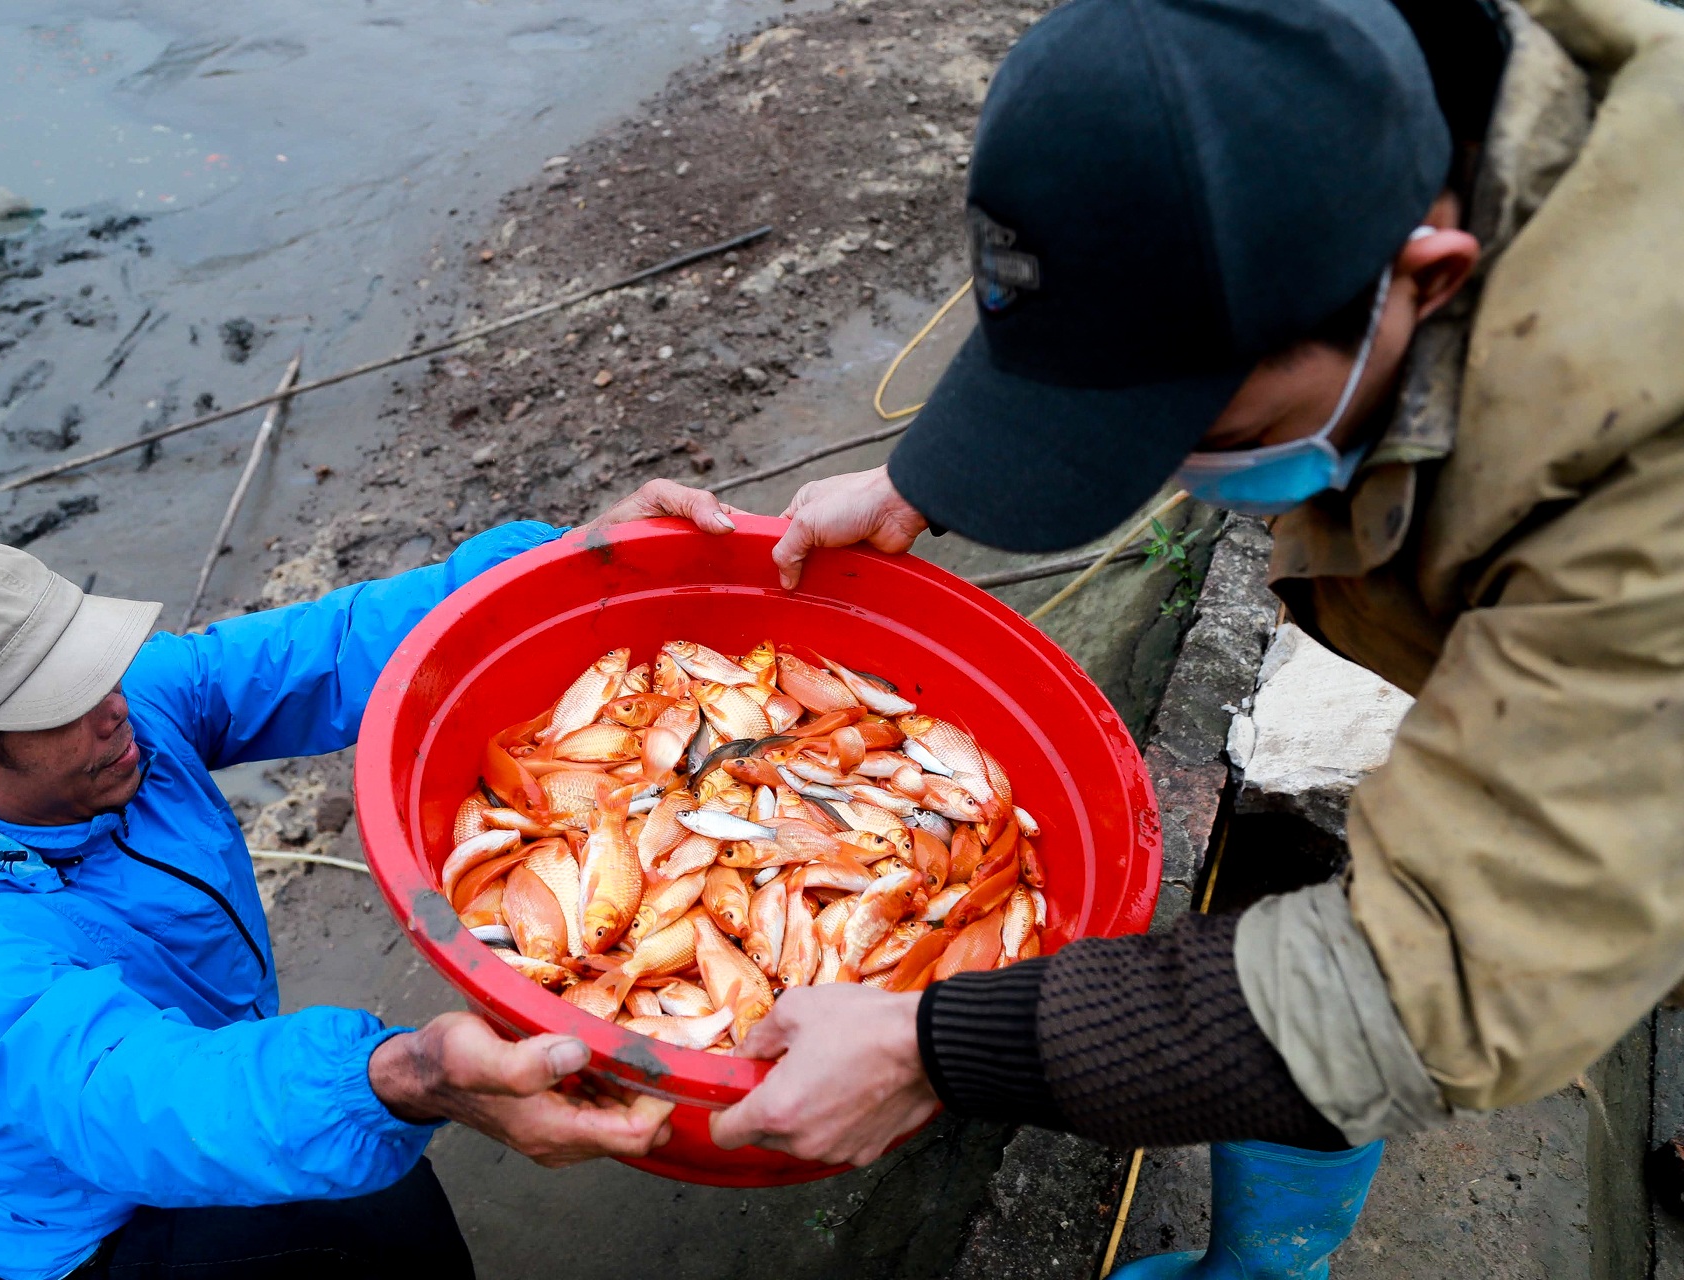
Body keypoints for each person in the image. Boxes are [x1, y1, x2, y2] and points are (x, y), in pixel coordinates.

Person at [692, 0, 1684, 1271]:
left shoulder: (1637, 479)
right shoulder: (1333, 81)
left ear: (1429, 279)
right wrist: (951, 472)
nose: (1166, 470)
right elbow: (1131, 300)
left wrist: (933, 1044)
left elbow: (1441, 974)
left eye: (1195, 427)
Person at [0, 481, 738, 1280]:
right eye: (64, 703)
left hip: (217, 1074)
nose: (113, 708)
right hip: (98, 1232)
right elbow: (129, 1095)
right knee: (373, 1211)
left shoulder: (117, 719)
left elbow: (326, 651)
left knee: (363, 1166)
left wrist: (553, 570)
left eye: (93, 666)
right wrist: (407, 1073)